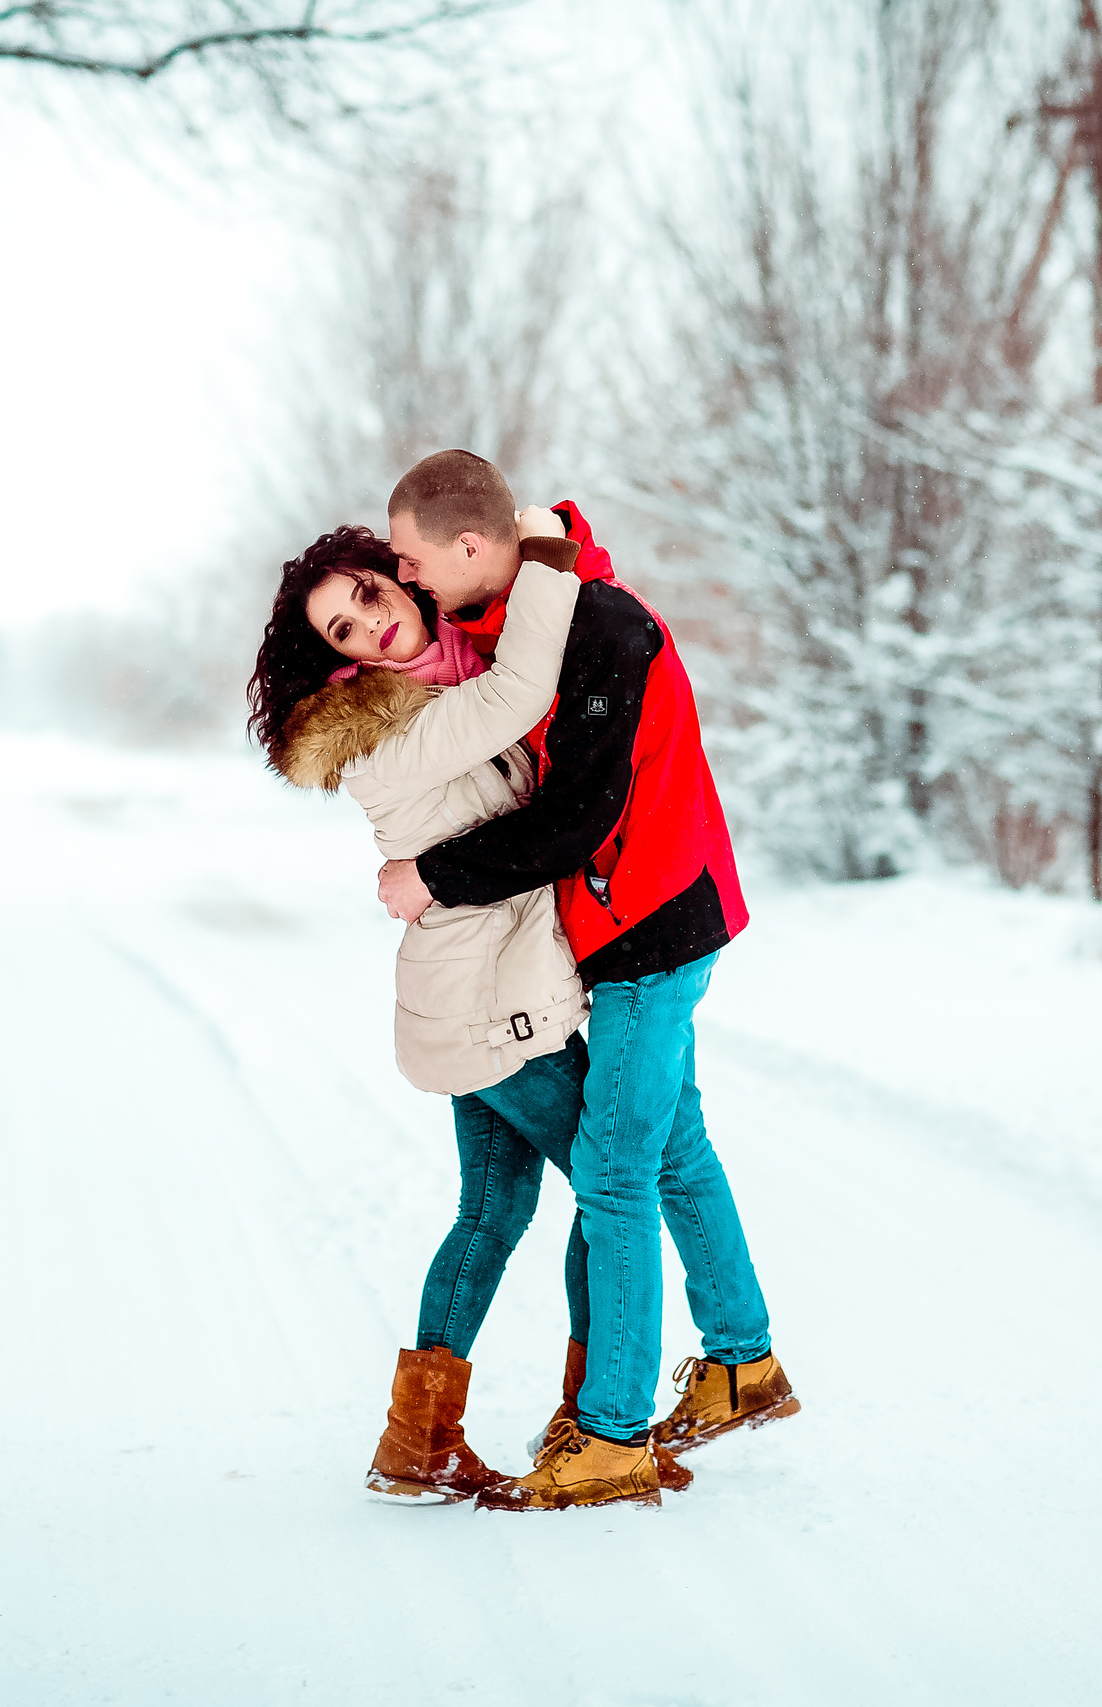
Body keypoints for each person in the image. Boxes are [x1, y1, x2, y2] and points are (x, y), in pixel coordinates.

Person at [375, 450, 797, 1514]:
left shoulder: (598, 624)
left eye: (418, 564)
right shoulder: (521, 614)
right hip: (619, 924)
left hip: (652, 921)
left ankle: (611, 1434)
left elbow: (580, 817)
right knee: (672, 1146)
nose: (415, 585)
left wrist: (433, 875)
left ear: (471, 547)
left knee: (613, 1171)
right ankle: (742, 1361)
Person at [247, 521, 695, 1504]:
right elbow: (522, 694)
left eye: (368, 596)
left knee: (494, 1211)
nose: (370, 629)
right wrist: (544, 552)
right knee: (616, 1188)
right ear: (335, 661)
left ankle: (418, 1443)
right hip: (491, 1014)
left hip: (471, 1002)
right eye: (342, 631)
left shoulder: (441, 682)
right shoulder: (390, 731)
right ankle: (593, 1415)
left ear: (399, 581)